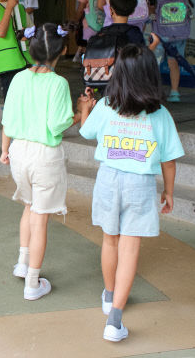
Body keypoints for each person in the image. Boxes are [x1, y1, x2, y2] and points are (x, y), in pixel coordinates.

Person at [77, 44, 184, 342]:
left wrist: (85, 108)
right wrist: (169, 192)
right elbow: (169, 160)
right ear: (151, 74)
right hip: (141, 184)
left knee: (109, 240)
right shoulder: (160, 114)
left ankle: (108, 296)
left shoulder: (106, 105)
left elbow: (86, 133)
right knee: (129, 247)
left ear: (117, 74)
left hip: (108, 180)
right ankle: (115, 320)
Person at [0, 23, 75, 301]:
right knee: (41, 218)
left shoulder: (18, 78)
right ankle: (33, 282)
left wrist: (4, 150)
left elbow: (7, 119)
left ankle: (22, 263)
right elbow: (58, 125)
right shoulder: (59, 83)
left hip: (19, 151)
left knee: (29, 207)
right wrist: (79, 114)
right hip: (45, 156)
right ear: (63, 51)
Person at [151, 0, 195, 102]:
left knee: (155, 62)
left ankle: (155, 92)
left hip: (161, 33)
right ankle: (175, 92)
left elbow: (154, 9)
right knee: (174, 63)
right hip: (180, 32)